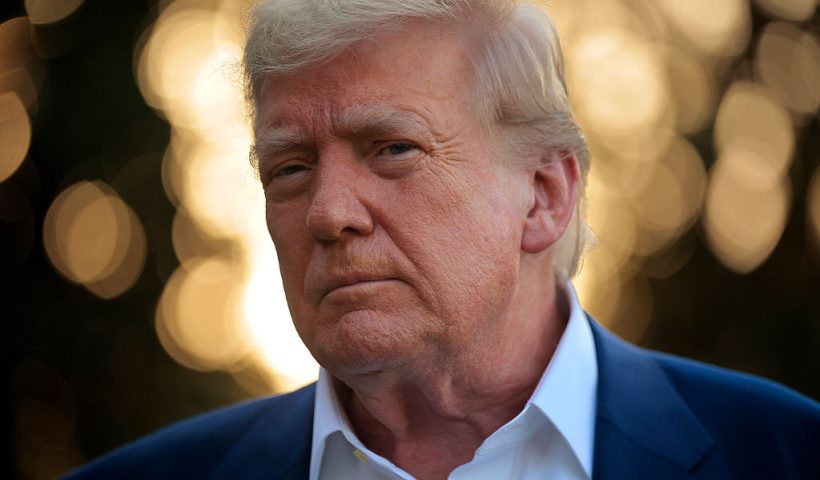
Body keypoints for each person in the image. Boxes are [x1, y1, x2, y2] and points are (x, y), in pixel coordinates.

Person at [64, 1, 819, 479]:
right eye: (289, 168)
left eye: (393, 149)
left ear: (544, 196)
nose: (328, 213)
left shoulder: (786, 454)